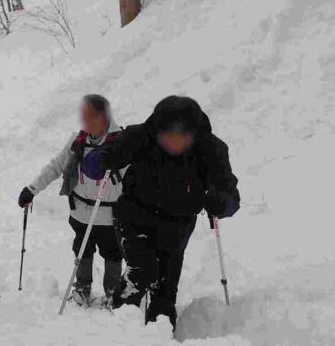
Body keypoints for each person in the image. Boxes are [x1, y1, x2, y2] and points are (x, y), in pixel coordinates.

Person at [81, 96, 240, 330]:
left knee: (165, 298)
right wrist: (101, 159)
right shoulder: (141, 136)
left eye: (181, 137)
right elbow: (93, 161)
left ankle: (161, 345)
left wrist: (221, 202)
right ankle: (118, 327)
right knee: (143, 271)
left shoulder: (211, 149)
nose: (173, 144)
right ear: (158, 132)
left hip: (177, 226)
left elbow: (231, 197)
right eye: (167, 137)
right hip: (134, 216)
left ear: (193, 134)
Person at [18, 94, 124, 307]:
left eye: (91, 117)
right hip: (81, 213)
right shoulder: (78, 141)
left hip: (110, 216)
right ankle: (82, 288)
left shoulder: (121, 143)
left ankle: (113, 292)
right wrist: (32, 189)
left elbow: (137, 176)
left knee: (113, 252)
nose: (85, 122)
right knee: (82, 249)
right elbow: (57, 166)